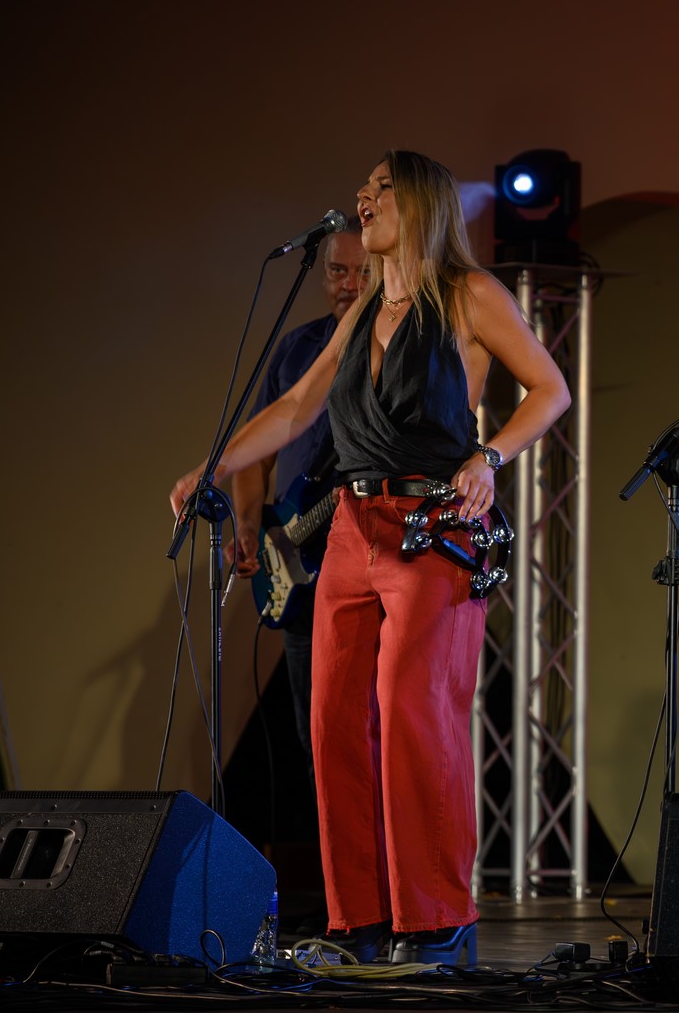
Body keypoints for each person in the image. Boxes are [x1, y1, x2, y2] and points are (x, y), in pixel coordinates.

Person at [171, 150, 571, 965]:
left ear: (420, 201)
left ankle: (437, 916)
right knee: (332, 720)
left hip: (434, 523)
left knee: (413, 712)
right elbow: (297, 405)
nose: (364, 195)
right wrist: (213, 466)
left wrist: (488, 456)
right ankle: (357, 916)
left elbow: (551, 388)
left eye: (383, 186)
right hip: (354, 525)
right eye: (364, 186)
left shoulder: (468, 295)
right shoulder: (362, 314)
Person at [230, 228, 370, 793]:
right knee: (315, 734)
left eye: (363, 271)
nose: (349, 284)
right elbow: (254, 453)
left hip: (362, 562)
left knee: (367, 732)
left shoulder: (390, 348)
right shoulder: (296, 346)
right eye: (337, 271)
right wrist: (247, 523)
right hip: (292, 563)